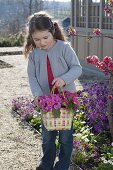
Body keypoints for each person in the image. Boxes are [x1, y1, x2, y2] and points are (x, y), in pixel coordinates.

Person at [24, 11, 82, 170]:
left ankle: (62, 165)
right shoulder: (34, 54)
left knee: (65, 136)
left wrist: (64, 79)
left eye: (45, 38)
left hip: (66, 100)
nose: (41, 43)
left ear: (53, 32)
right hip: (46, 102)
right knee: (48, 136)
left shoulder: (64, 48)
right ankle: (46, 163)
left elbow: (77, 68)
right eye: (36, 39)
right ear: (31, 38)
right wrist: (37, 95)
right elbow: (32, 77)